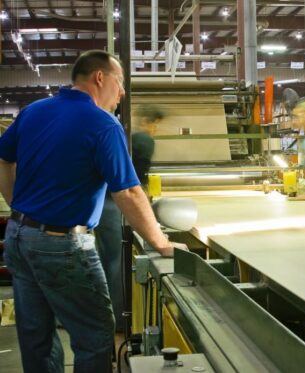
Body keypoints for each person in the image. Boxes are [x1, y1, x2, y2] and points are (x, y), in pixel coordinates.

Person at [0, 50, 187, 373]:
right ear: (100, 78)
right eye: (121, 82)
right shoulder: (103, 124)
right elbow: (128, 191)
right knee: (96, 336)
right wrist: (161, 242)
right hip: (62, 246)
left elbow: (4, 160)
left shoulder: (33, 111)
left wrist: (17, 206)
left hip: (18, 237)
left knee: (37, 337)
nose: (123, 93)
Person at [95, 105, 164, 331]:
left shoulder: (127, 136)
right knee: (120, 262)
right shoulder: (144, 140)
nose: (156, 129)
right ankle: (120, 321)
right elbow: (135, 183)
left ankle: (108, 314)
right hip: (117, 205)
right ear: (151, 122)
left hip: (102, 206)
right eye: (156, 124)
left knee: (108, 260)